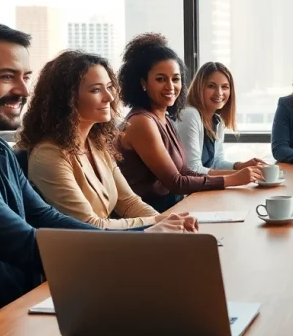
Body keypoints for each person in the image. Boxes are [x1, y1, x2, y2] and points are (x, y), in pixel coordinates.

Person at [0, 19, 196, 327]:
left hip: (22, 313)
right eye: (7, 77)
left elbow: (47, 218)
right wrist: (143, 240)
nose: (23, 90)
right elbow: (26, 244)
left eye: (26, 77)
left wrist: (146, 235)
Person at [18, 50, 181, 229]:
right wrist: (158, 222)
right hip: (80, 251)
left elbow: (129, 203)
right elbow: (89, 225)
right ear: (67, 100)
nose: (109, 97)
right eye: (96, 89)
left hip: (109, 243)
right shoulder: (49, 154)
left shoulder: (97, 143)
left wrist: (169, 225)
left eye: (109, 87)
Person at [117, 34, 262, 211]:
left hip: (175, 208)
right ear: (143, 83)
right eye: (160, 79)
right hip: (151, 216)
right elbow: (176, 182)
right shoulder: (142, 122)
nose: (170, 87)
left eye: (175, 79)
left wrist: (239, 172)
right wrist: (233, 179)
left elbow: (185, 171)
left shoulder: (163, 117)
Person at [175, 62, 266, 175]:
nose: (219, 93)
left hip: (203, 189)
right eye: (211, 86)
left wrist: (240, 166)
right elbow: (192, 170)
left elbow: (216, 163)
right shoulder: (190, 115)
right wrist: (238, 175)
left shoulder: (217, 121)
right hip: (187, 192)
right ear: (199, 88)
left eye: (225, 87)